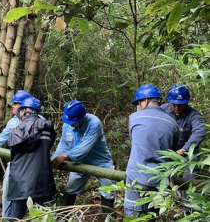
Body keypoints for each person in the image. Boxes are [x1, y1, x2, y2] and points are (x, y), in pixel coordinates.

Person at [51, 100, 115, 214]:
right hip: (79, 163)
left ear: (81, 118)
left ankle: (107, 217)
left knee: (108, 191)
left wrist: (65, 156)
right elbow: (63, 145)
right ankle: (64, 217)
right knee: (71, 188)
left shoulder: (94, 123)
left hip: (101, 162)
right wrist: (54, 158)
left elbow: (84, 148)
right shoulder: (68, 123)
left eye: (73, 121)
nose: (70, 124)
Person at [124, 84, 179, 217]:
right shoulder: (173, 123)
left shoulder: (134, 118)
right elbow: (172, 152)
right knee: (153, 215)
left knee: (133, 214)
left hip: (135, 177)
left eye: (138, 103)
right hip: (159, 181)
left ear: (144, 101)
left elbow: (135, 142)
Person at [6, 97, 56, 220]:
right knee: (47, 218)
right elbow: (49, 145)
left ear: (23, 111)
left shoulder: (16, 131)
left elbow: (11, 146)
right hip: (42, 181)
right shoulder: (48, 128)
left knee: (14, 218)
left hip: (20, 183)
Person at [0, 90, 31, 217]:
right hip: (15, 164)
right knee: (7, 194)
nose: (12, 106)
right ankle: (7, 218)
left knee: (28, 197)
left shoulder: (38, 121)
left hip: (31, 165)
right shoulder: (12, 122)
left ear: (24, 106)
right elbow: (1, 138)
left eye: (16, 103)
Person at [161, 84, 205, 209]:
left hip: (186, 154)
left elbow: (200, 131)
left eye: (180, 104)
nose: (177, 107)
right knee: (160, 178)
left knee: (188, 182)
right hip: (167, 152)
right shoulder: (162, 110)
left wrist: (185, 149)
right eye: (174, 104)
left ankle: (189, 211)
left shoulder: (193, 115)